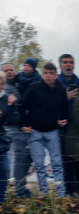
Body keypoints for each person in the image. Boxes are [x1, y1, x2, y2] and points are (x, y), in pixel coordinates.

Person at [19, 62, 68, 198]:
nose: (48, 76)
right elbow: (21, 106)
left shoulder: (60, 90)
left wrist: (64, 119)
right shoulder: (33, 88)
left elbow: (64, 108)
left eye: (51, 73)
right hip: (34, 131)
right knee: (39, 164)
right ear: (42, 75)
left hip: (52, 131)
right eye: (46, 73)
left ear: (56, 75)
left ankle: (60, 193)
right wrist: (22, 125)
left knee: (57, 163)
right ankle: (43, 193)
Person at [1, 63, 32, 197]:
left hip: (20, 127)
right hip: (10, 128)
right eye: (6, 70)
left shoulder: (18, 85)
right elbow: (9, 114)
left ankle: (19, 188)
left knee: (25, 157)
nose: (9, 72)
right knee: (18, 158)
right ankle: (19, 190)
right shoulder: (5, 91)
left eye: (11, 70)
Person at [58, 53, 79, 196]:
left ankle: (77, 189)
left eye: (71, 62)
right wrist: (65, 98)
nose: (68, 65)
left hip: (76, 128)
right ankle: (66, 191)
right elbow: (49, 104)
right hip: (61, 127)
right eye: (65, 62)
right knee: (64, 160)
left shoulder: (78, 83)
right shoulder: (56, 83)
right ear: (61, 65)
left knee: (75, 159)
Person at [0, 72, 11, 204]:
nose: (0, 86)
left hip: (1, 138)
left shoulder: (5, 98)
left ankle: (1, 200)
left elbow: (7, 119)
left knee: (3, 170)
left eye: (2, 84)